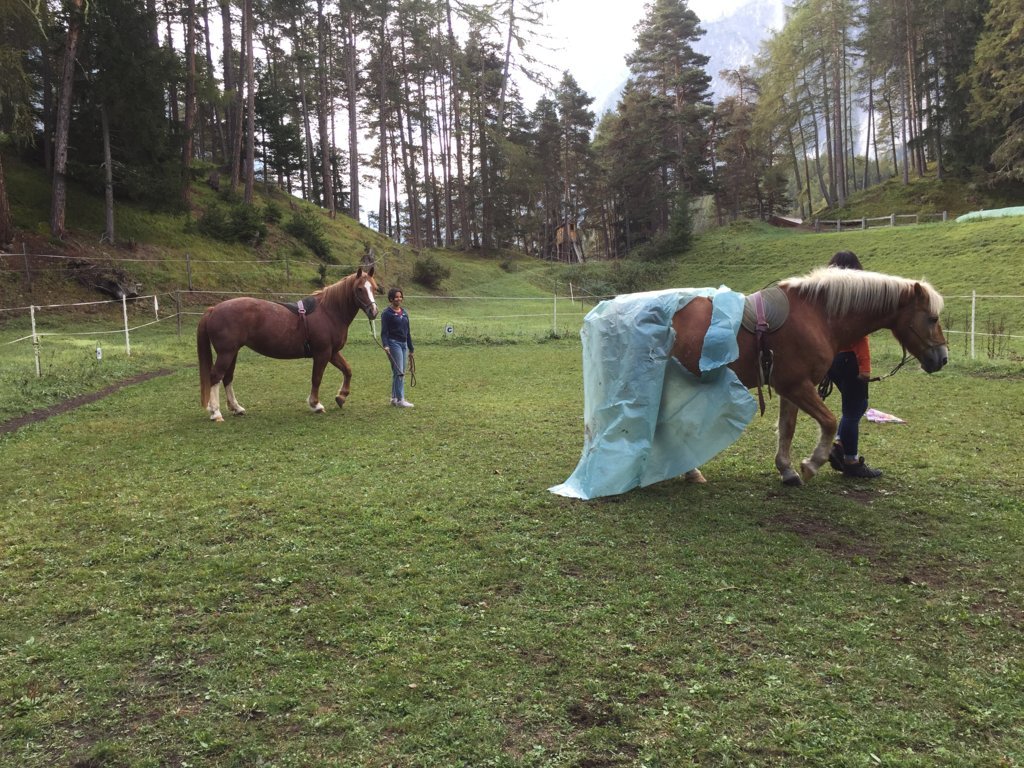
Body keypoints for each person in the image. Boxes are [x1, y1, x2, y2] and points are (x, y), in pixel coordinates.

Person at [826, 251, 882, 478]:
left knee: (858, 406)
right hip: (851, 359)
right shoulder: (853, 300)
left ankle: (839, 444)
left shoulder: (829, 299)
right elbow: (860, 336)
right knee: (853, 408)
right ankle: (850, 461)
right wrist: (865, 368)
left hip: (833, 359)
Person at [381, 287, 415, 408]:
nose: (399, 299)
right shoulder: (386, 313)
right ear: (391, 299)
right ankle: (401, 400)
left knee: (398, 372)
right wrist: (386, 345)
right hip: (393, 343)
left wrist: (411, 348)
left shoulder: (404, 312)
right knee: (400, 372)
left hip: (404, 344)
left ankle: (394, 398)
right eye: (396, 297)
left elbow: (408, 332)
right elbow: (384, 332)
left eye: (400, 296)